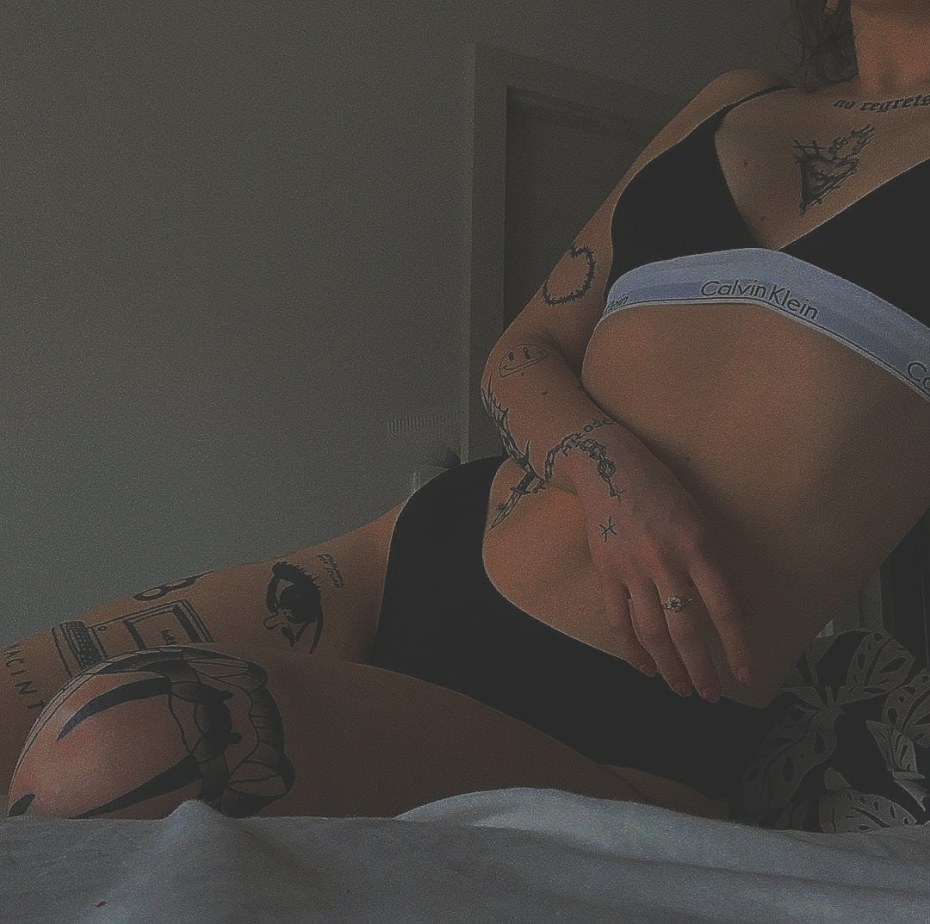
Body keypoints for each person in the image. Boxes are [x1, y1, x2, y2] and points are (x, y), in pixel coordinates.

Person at [3, 0, 928, 827]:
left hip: (612, 722)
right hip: (395, 566)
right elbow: (523, 351)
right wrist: (615, 476)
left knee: (116, 742)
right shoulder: (734, 100)